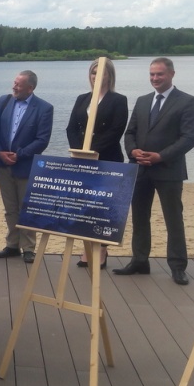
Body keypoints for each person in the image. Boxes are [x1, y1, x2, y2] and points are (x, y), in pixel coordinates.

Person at [115, 57, 194, 285]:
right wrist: (133, 152)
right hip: (140, 169)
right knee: (140, 217)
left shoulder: (187, 101)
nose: (155, 78)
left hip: (169, 170)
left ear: (172, 74)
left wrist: (160, 156)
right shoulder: (143, 101)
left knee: (174, 219)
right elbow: (129, 132)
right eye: (151, 74)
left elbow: (189, 138)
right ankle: (140, 261)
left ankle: (178, 266)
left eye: (159, 74)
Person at [65, 58, 129, 268]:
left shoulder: (118, 100)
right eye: (94, 73)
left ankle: (101, 251)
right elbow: (71, 128)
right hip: (82, 161)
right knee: (84, 207)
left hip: (107, 160)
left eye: (102, 73)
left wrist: (94, 150)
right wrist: (79, 151)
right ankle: (86, 250)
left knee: (103, 208)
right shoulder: (82, 99)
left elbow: (116, 130)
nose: (97, 77)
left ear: (110, 76)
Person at [0, 70, 53, 264]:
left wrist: (20, 155)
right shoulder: (4, 101)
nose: (14, 87)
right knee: (10, 208)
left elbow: (42, 140)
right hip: (3, 164)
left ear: (30, 88)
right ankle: (12, 245)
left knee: (27, 208)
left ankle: (29, 248)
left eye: (18, 85)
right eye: (14, 83)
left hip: (25, 165)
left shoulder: (44, 108)